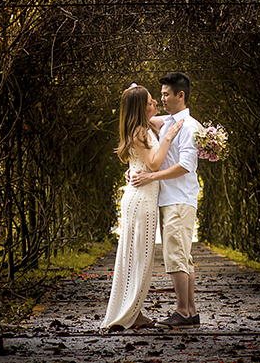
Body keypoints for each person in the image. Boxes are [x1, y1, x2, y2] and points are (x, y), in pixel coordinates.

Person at [101, 84, 184, 331]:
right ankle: (131, 313)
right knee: (140, 259)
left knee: (135, 257)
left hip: (139, 197)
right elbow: (154, 164)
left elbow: (171, 118)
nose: (156, 103)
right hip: (141, 200)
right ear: (140, 108)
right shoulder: (140, 131)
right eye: (150, 102)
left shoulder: (142, 127)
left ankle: (131, 310)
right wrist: (168, 137)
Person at [127, 71, 202, 328]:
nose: (161, 99)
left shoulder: (187, 126)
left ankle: (182, 311)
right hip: (169, 198)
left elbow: (186, 166)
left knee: (175, 256)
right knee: (183, 257)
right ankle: (190, 312)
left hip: (179, 198)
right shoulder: (169, 122)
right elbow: (140, 117)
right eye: (159, 94)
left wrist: (151, 176)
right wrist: (135, 168)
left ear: (180, 95)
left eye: (166, 94)